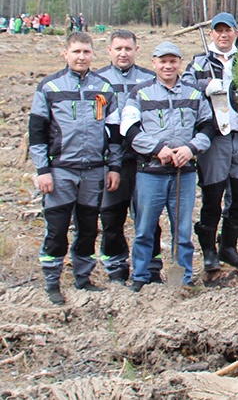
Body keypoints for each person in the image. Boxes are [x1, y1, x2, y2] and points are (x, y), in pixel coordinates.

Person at [30, 32, 121, 304]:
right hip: (60, 171)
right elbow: (36, 132)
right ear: (65, 54)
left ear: (94, 55)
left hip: (94, 171)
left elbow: (113, 132)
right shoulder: (49, 88)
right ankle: (52, 282)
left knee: (89, 227)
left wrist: (114, 167)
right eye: (76, 52)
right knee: (57, 229)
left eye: (86, 52)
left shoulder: (103, 89)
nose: (81, 57)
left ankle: (83, 278)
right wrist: (42, 170)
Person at [121, 41, 214, 291]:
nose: (168, 66)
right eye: (163, 61)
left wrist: (191, 149)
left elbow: (207, 127)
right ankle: (140, 276)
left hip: (183, 173)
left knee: (182, 231)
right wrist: (156, 149)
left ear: (179, 63)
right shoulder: (140, 93)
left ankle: (182, 279)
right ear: (154, 63)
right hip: (150, 173)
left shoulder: (193, 93)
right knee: (144, 229)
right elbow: (128, 129)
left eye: (173, 61)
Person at [182, 12, 238, 271]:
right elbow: (185, 90)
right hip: (215, 138)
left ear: (236, 32)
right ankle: (209, 251)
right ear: (211, 33)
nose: (223, 35)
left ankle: (228, 246)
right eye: (218, 30)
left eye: (228, 30)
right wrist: (205, 86)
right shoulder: (200, 62)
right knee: (213, 196)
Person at [96, 30, 157, 284]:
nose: (123, 53)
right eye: (118, 48)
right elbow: (97, 121)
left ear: (136, 50)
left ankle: (151, 267)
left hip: (144, 160)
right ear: (109, 50)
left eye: (128, 49)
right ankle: (116, 267)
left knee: (147, 216)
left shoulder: (149, 79)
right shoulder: (97, 81)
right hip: (112, 162)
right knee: (111, 216)